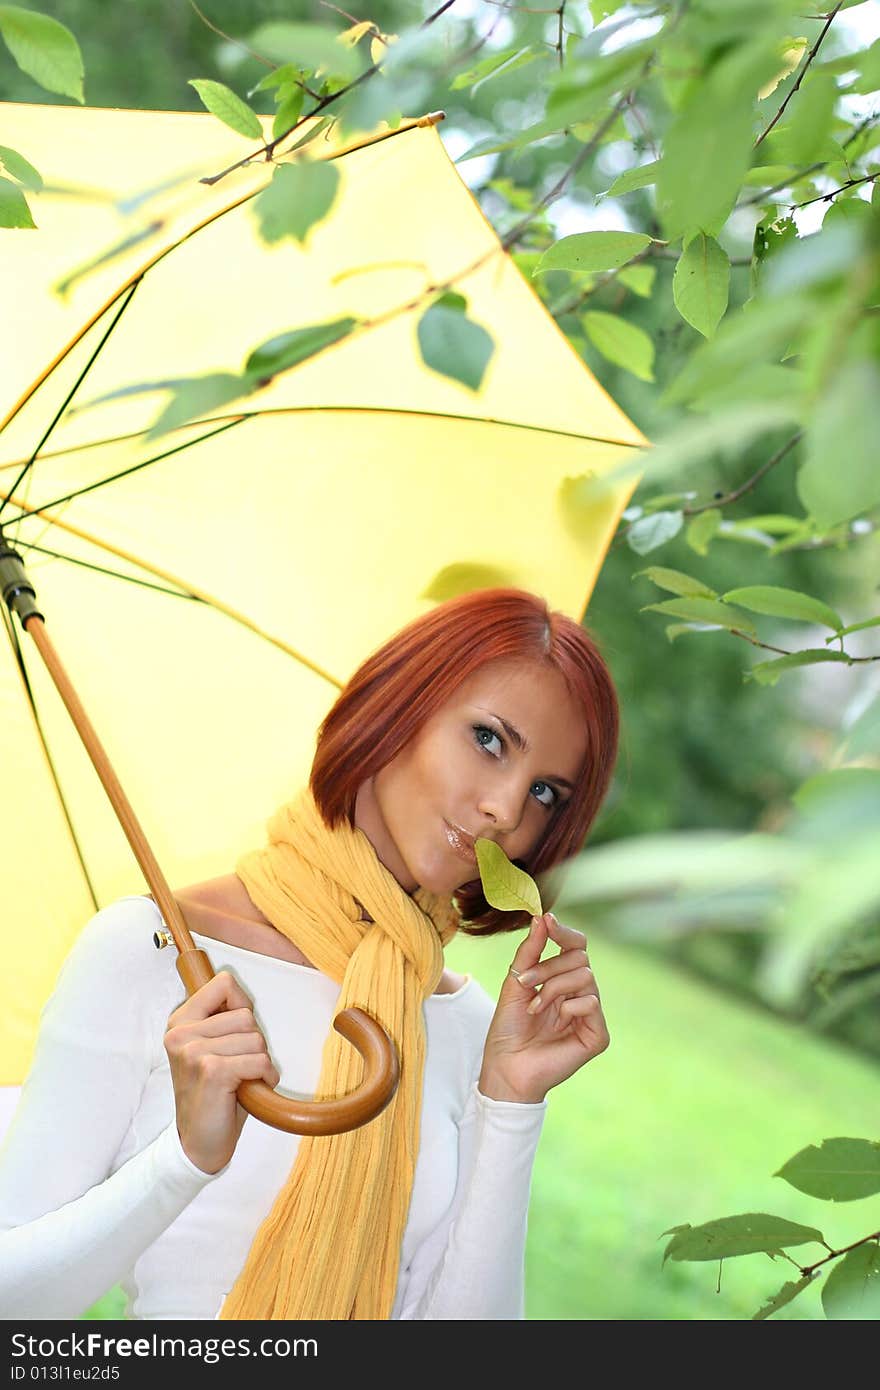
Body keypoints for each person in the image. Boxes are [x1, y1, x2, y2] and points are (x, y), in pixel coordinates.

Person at [0, 587, 617, 1321]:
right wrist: (182, 1162)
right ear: (400, 705)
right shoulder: (158, 954)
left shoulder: (465, 1027)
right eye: (489, 740)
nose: (507, 811)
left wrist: (512, 1100)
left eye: (545, 792)